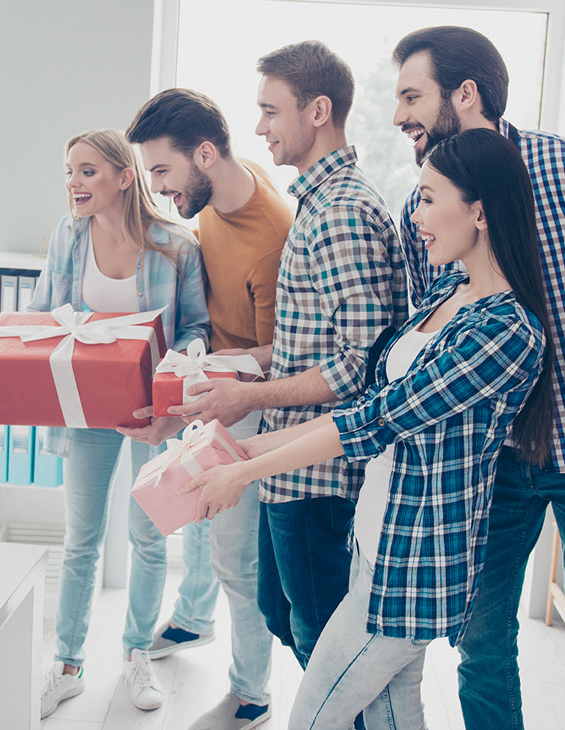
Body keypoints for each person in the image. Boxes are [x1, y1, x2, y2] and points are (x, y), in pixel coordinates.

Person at [184, 127, 553, 729]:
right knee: (392, 716)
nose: (417, 214)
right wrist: (245, 446)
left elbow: (376, 420)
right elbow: (373, 402)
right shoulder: (448, 289)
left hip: (413, 568)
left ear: (480, 211)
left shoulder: (506, 331)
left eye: (430, 198)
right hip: (374, 539)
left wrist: (246, 469)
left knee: (311, 717)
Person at [168, 41, 407, 675]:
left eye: (271, 111)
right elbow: (308, 343)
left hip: (319, 477)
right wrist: (227, 378)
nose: (259, 128)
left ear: (318, 111)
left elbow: (359, 366)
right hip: (284, 465)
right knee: (281, 613)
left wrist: (247, 397)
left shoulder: (342, 214)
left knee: (322, 646)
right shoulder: (315, 204)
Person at [391, 26, 565, 729]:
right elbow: (428, 329)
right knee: (482, 644)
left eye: (413, 95)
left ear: (464, 94)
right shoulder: (420, 210)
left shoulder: (560, 167)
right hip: (494, 464)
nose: (400, 115)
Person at [122, 88, 292, 730]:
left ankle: (252, 694)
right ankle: (193, 621)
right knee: (179, 514)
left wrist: (207, 402)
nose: (160, 188)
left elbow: (281, 354)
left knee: (234, 557)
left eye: (162, 172)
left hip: (246, 404)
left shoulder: (273, 233)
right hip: (208, 390)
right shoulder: (215, 199)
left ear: (204, 154)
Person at [32, 129, 210, 718]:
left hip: (149, 412)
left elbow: (196, 330)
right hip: (85, 407)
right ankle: (67, 665)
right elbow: (41, 314)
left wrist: (167, 382)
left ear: (123, 177)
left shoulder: (176, 246)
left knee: (148, 536)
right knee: (80, 540)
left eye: (87, 171)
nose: (74, 183)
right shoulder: (67, 235)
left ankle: (137, 653)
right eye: (69, 171)